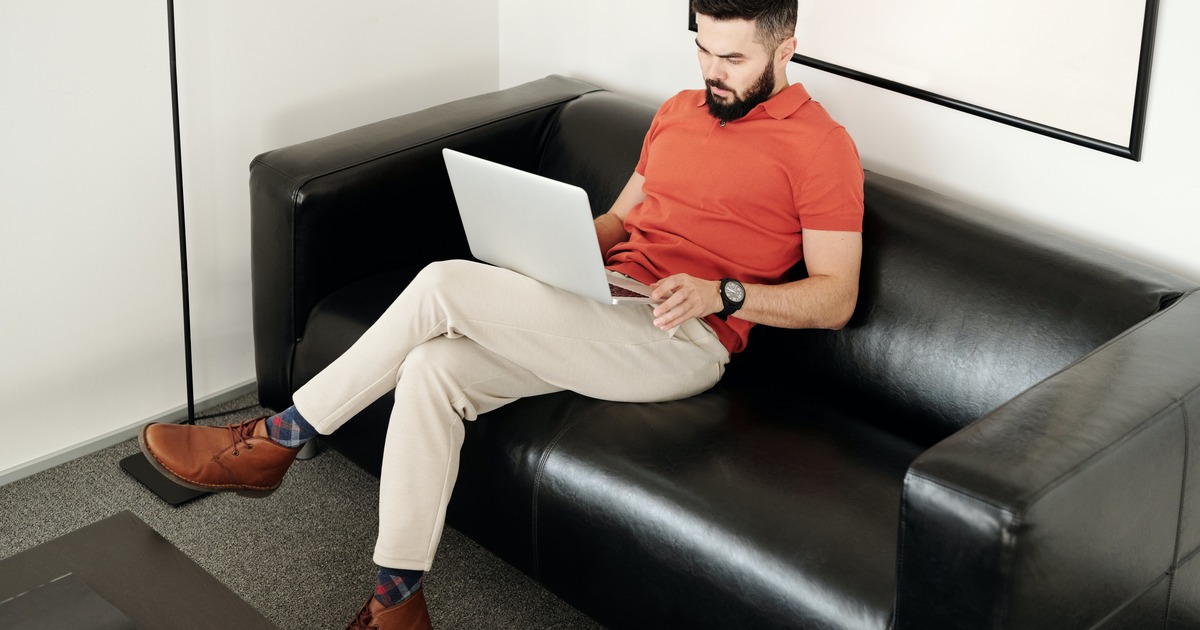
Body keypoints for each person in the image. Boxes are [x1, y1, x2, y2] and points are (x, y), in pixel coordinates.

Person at [137, 1, 864, 627]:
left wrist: (724, 294)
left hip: (683, 336)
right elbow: (622, 219)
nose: (713, 69)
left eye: (732, 57)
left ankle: (278, 438)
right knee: (431, 370)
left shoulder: (821, 147)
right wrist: (560, 242)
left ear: (786, 46)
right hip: (601, 301)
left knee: (443, 285)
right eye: (703, 46)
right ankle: (398, 603)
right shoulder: (678, 112)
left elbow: (836, 297)